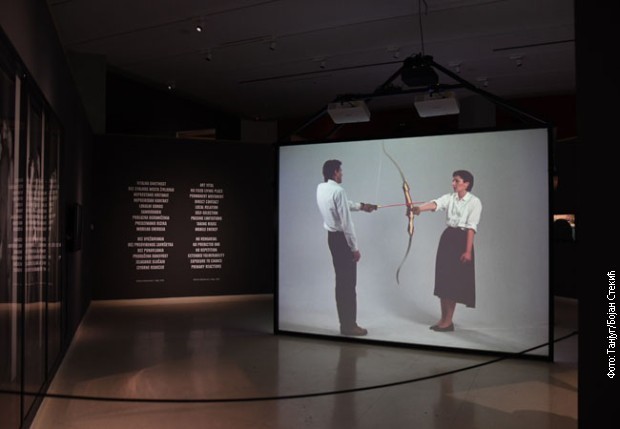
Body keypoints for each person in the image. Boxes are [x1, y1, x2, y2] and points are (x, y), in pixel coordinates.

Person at [411, 170, 482, 332]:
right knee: (444, 279)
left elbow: (471, 228)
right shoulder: (450, 197)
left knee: (453, 281)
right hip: (448, 239)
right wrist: (419, 209)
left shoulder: (475, 202)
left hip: (462, 241)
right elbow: (436, 204)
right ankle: (443, 319)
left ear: (466, 183)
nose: (453, 183)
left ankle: (448, 321)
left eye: (457, 181)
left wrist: (468, 251)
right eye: (453, 180)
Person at [316, 159, 377, 336]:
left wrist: (362, 206)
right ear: (335, 172)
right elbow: (346, 224)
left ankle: (345, 324)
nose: (342, 174)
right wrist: (354, 248)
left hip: (332, 239)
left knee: (341, 282)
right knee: (348, 284)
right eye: (340, 171)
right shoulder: (339, 191)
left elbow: (341, 205)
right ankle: (349, 326)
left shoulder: (322, 187)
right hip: (342, 240)